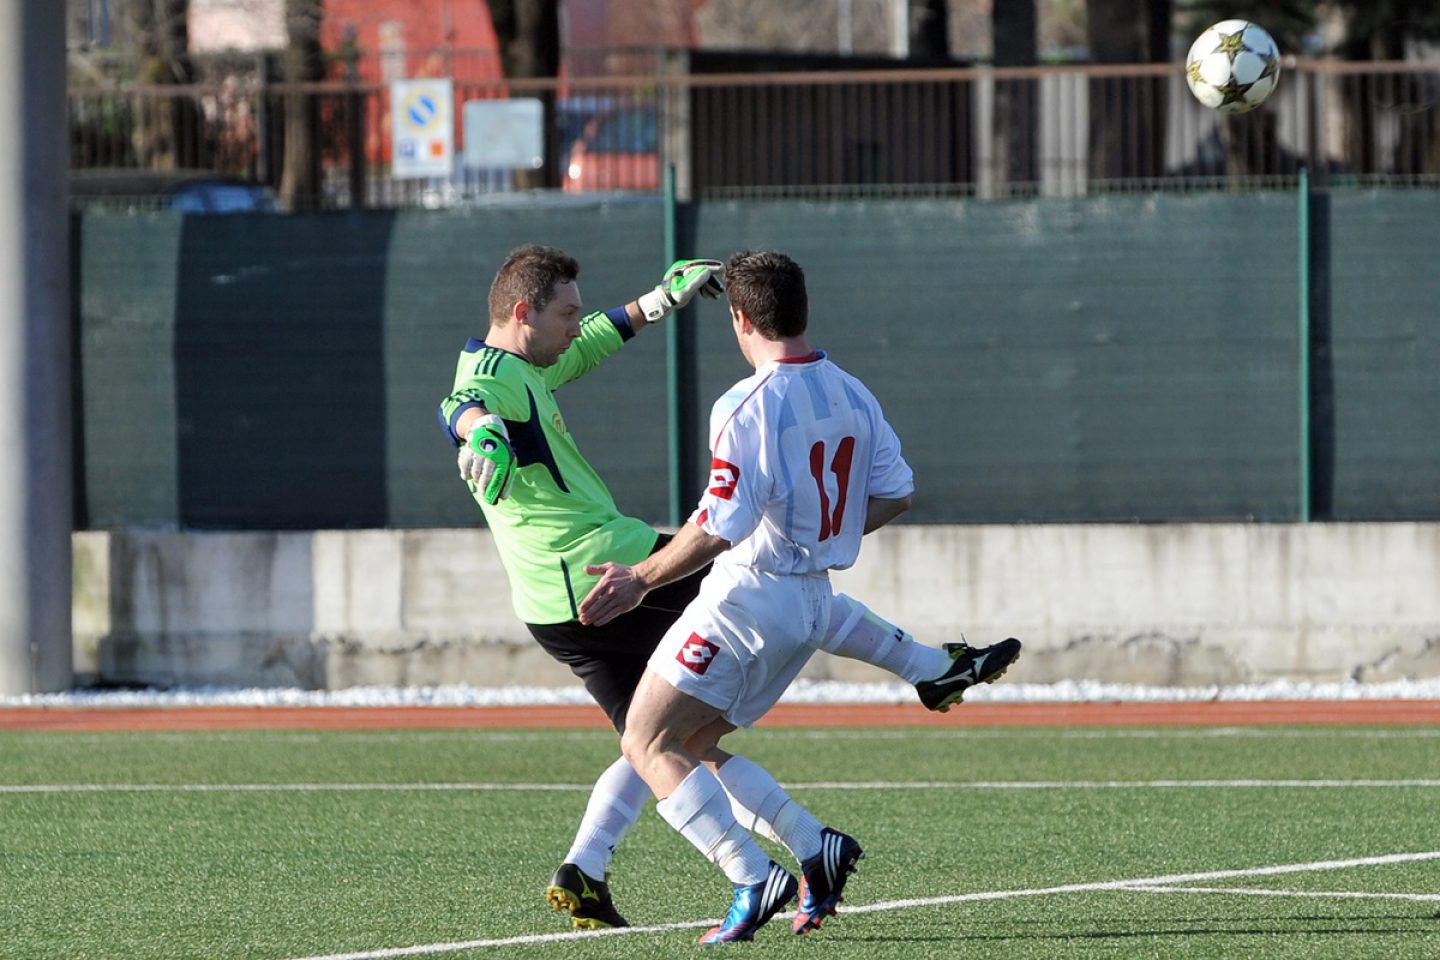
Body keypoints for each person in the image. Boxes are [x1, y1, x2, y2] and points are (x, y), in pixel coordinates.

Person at [440, 245, 1016, 934]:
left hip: (551, 601)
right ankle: (926, 674)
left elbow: (581, 350)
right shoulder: (492, 380)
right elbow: (465, 406)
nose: (577, 323)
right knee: (761, 587)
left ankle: (591, 867)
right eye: (567, 312)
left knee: (662, 742)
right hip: (601, 571)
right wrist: (480, 437)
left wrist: (653, 305)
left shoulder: (525, 362)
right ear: (523, 312)